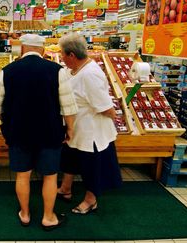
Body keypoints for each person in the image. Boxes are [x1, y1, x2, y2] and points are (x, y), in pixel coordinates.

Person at [0, 34, 77, 231]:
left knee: (23, 175)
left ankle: (25, 214)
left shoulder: (6, 72)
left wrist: (10, 122)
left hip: (19, 133)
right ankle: (48, 217)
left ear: (22, 49)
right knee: (50, 176)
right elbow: (69, 107)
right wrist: (70, 129)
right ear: (43, 51)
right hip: (50, 132)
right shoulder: (58, 71)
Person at [56, 32, 122, 214]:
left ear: (71, 55)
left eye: (62, 54)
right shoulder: (73, 69)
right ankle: (65, 189)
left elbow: (104, 107)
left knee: (91, 167)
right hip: (75, 128)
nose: (61, 57)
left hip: (91, 132)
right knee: (69, 159)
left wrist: (114, 114)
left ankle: (90, 200)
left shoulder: (90, 74)